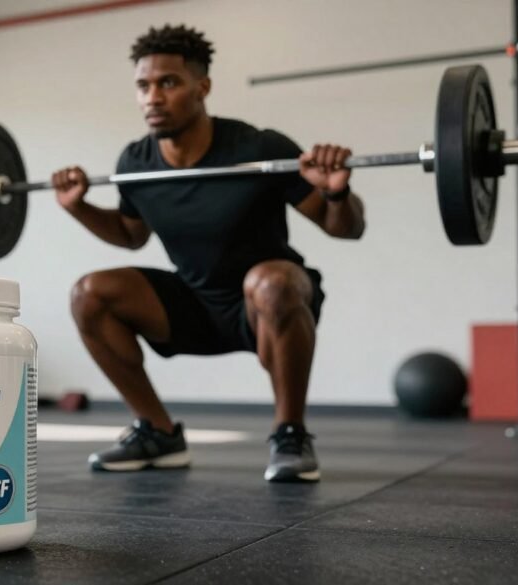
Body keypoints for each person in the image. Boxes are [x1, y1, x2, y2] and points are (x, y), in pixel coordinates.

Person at [52, 24, 365, 483]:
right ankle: (157, 432)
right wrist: (78, 207)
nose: (153, 97)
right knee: (89, 294)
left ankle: (290, 433)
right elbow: (129, 233)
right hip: (194, 303)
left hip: (269, 301)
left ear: (203, 87)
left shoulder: (259, 147)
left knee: (272, 282)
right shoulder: (135, 162)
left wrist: (338, 194)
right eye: (144, 85)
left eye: (168, 83)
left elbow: (346, 229)